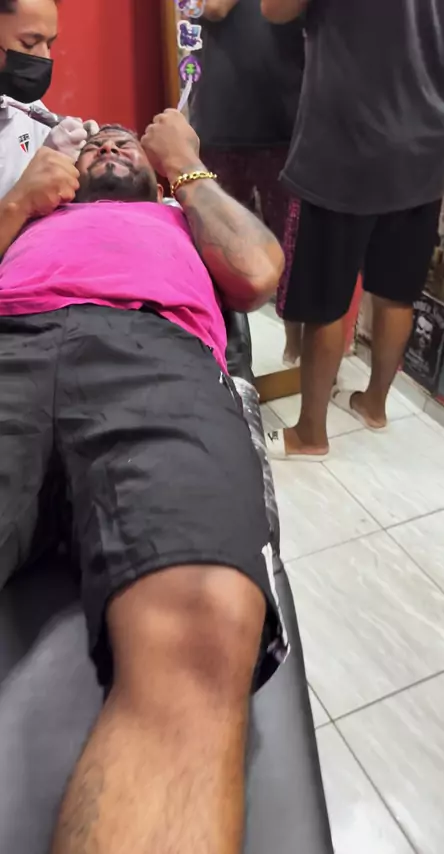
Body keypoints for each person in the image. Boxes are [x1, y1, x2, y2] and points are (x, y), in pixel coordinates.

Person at [0, 112, 287, 853]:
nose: (106, 145)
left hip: (157, 355)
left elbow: (258, 271)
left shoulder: (179, 215)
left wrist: (185, 164)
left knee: (204, 620)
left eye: (124, 142)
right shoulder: (30, 212)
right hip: (9, 345)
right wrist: (19, 200)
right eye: (94, 144)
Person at [261, 0, 444, 460]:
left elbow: (274, 9)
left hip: (344, 145)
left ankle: (310, 434)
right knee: (397, 291)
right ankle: (374, 404)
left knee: (325, 300)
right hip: (423, 147)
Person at [191, 0, 305, 364]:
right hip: (222, 117)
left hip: (284, 119)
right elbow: (212, 8)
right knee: (216, 244)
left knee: (292, 244)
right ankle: (219, 344)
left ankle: (296, 345)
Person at [0, 0, 97, 203]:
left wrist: (67, 158)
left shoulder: (29, 112)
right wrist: (21, 201)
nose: (44, 57)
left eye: (49, 45)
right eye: (29, 43)